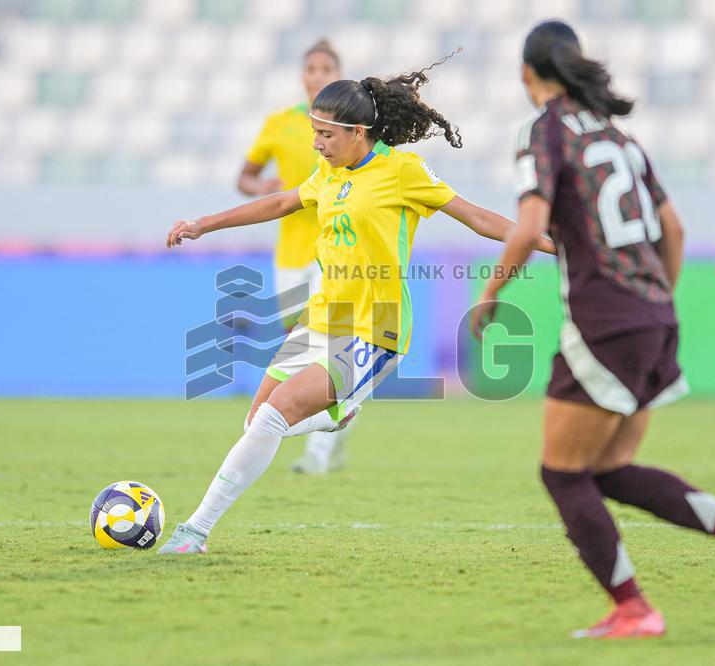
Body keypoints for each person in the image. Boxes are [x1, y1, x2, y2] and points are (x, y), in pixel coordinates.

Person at [159, 55, 554, 555]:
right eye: (314, 132)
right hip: (321, 317)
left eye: (325, 134)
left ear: (357, 131)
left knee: (272, 419)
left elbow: (476, 217)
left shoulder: (401, 170)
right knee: (257, 422)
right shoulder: (328, 174)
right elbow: (279, 202)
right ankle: (337, 414)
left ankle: (194, 531)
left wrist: (552, 241)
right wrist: (204, 223)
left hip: (374, 328)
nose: (316, 144)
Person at [471, 20, 715, 638]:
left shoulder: (546, 129)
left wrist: (490, 292)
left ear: (527, 73)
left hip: (604, 322)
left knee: (561, 473)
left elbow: (529, 219)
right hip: (653, 316)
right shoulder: (620, 136)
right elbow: (673, 230)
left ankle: (634, 609)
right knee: (608, 469)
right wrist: (657, 300)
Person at [237, 39, 347, 475]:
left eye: (326, 68)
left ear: (337, 74)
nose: (318, 75)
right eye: (312, 68)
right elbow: (245, 177)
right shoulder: (279, 124)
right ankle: (329, 422)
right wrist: (262, 188)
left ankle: (322, 446)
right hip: (289, 250)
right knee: (295, 344)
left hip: (335, 249)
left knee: (324, 342)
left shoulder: (350, 126)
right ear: (303, 75)